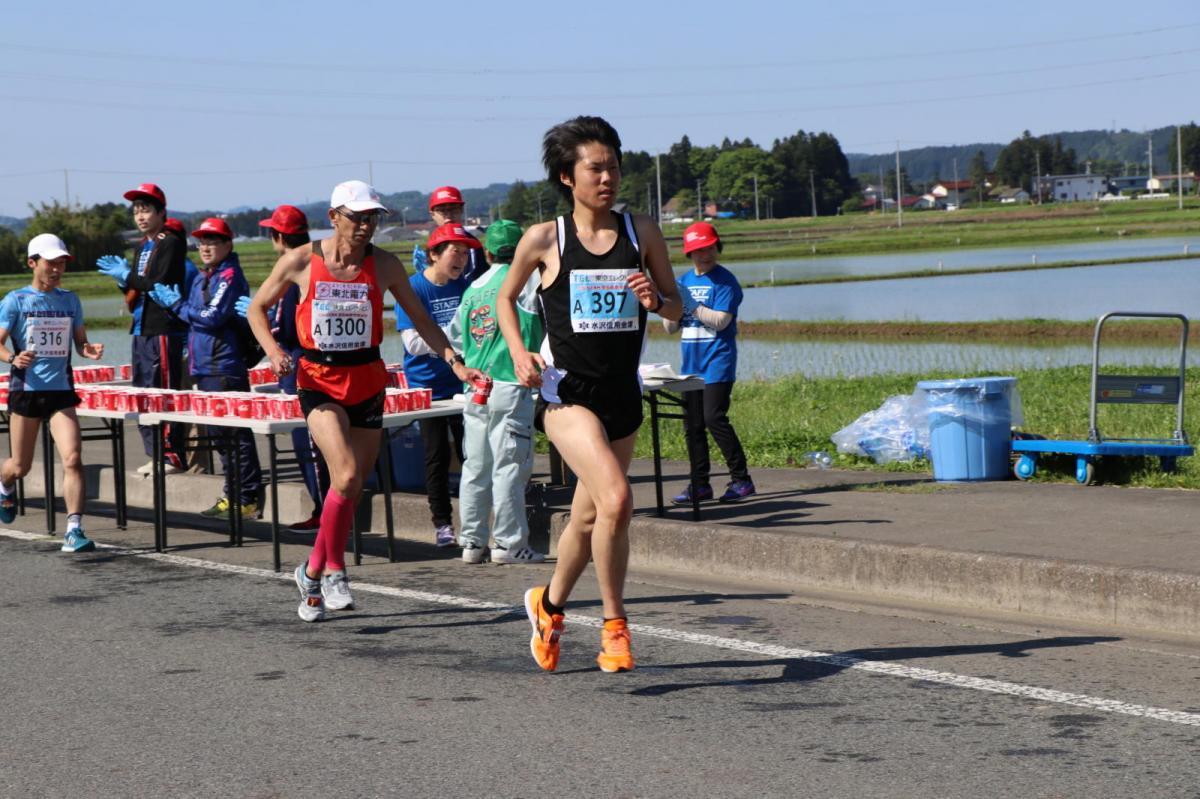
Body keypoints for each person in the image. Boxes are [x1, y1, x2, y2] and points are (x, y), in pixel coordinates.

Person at [246, 180, 482, 623]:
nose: (366, 225)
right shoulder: (301, 260)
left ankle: (311, 572)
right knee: (348, 473)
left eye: (372, 217)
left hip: (367, 380)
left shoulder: (386, 264)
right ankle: (335, 569)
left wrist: (454, 360)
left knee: (352, 487)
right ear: (334, 217)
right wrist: (276, 352)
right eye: (357, 217)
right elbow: (256, 309)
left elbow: (421, 318)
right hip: (317, 378)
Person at [497, 116, 683, 673]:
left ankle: (548, 606)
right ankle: (615, 626)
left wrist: (656, 301)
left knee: (586, 519)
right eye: (595, 168)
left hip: (620, 395)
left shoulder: (641, 232)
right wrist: (519, 352)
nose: (608, 177)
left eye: (614, 167)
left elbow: (677, 307)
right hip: (565, 396)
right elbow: (506, 299)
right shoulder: (545, 238)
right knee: (619, 500)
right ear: (566, 176)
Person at [148, 218, 261, 518]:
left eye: (213, 241)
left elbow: (211, 316)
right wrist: (182, 311)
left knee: (236, 436)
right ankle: (232, 494)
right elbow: (196, 318)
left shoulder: (230, 276)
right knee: (221, 439)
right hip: (204, 367)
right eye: (202, 241)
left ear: (228, 244)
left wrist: (177, 306)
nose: (206, 247)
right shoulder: (202, 276)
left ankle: (247, 498)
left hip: (224, 366)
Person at [0, 234, 105, 551]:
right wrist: (12, 358)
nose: (57, 269)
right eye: (50, 263)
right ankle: (4, 485)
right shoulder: (16, 300)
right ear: (33, 263)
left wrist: (89, 349)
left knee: (73, 458)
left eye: (61, 263)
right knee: (21, 467)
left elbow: (80, 341)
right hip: (27, 391)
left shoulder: (70, 300)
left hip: (61, 391)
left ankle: (74, 530)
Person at [451, 219, 545, 564]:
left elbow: (456, 338)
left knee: (476, 465)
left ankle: (472, 542)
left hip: (475, 387)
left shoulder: (473, 288)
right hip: (512, 383)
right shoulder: (527, 281)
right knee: (509, 465)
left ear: (487, 252)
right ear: (522, 249)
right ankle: (508, 543)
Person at [96, 182, 188, 475]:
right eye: (136, 210)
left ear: (161, 212)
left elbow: (159, 284)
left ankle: (171, 454)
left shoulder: (169, 242)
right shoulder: (142, 246)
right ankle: (154, 452)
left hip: (162, 326)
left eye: (146, 209)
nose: (140, 215)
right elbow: (139, 287)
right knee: (142, 391)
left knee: (162, 389)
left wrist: (130, 277)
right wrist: (124, 279)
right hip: (141, 326)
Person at [248, 205, 329, 532]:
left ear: (278, 236)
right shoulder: (307, 262)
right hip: (298, 361)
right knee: (307, 443)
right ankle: (321, 508)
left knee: (310, 443)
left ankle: (325, 512)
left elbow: (294, 326)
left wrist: (273, 340)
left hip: (301, 364)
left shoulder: (297, 267)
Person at [395, 222, 475, 547]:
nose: (462, 259)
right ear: (434, 254)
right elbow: (412, 342)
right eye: (456, 252)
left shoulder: (466, 287)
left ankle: (474, 522)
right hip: (427, 387)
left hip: (462, 384)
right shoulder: (413, 288)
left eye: (467, 253)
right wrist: (453, 350)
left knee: (473, 454)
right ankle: (442, 523)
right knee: (437, 455)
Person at [665, 222, 755, 503]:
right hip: (690, 363)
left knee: (714, 418)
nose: (705, 254)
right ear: (689, 253)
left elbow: (720, 321)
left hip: (718, 360)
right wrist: (668, 305)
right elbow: (670, 328)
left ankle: (742, 480)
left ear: (717, 247)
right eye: (698, 250)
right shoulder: (682, 282)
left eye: (710, 247)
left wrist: (689, 302)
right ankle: (699, 485)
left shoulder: (725, 281)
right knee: (692, 425)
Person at [408, 186, 486, 284]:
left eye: (454, 209)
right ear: (432, 214)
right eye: (442, 210)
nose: (449, 215)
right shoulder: (431, 242)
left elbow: (476, 280)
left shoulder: (471, 244)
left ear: (461, 210)